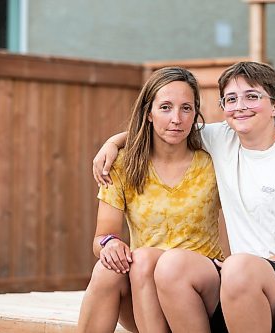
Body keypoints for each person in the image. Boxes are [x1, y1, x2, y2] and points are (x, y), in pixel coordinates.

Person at [92, 61, 275, 333]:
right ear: (223, 108)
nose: (241, 106)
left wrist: (257, 266)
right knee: (172, 265)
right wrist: (113, 143)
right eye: (231, 99)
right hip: (240, 284)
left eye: (252, 96)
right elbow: (161, 131)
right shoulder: (223, 139)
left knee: (238, 267)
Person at [76, 66, 226, 333]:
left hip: (199, 291)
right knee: (107, 269)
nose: (176, 119)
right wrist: (109, 245)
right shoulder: (122, 165)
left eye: (186, 108)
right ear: (149, 113)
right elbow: (102, 238)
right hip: (144, 296)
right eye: (166, 107)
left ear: (195, 114)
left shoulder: (213, 162)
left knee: (144, 258)